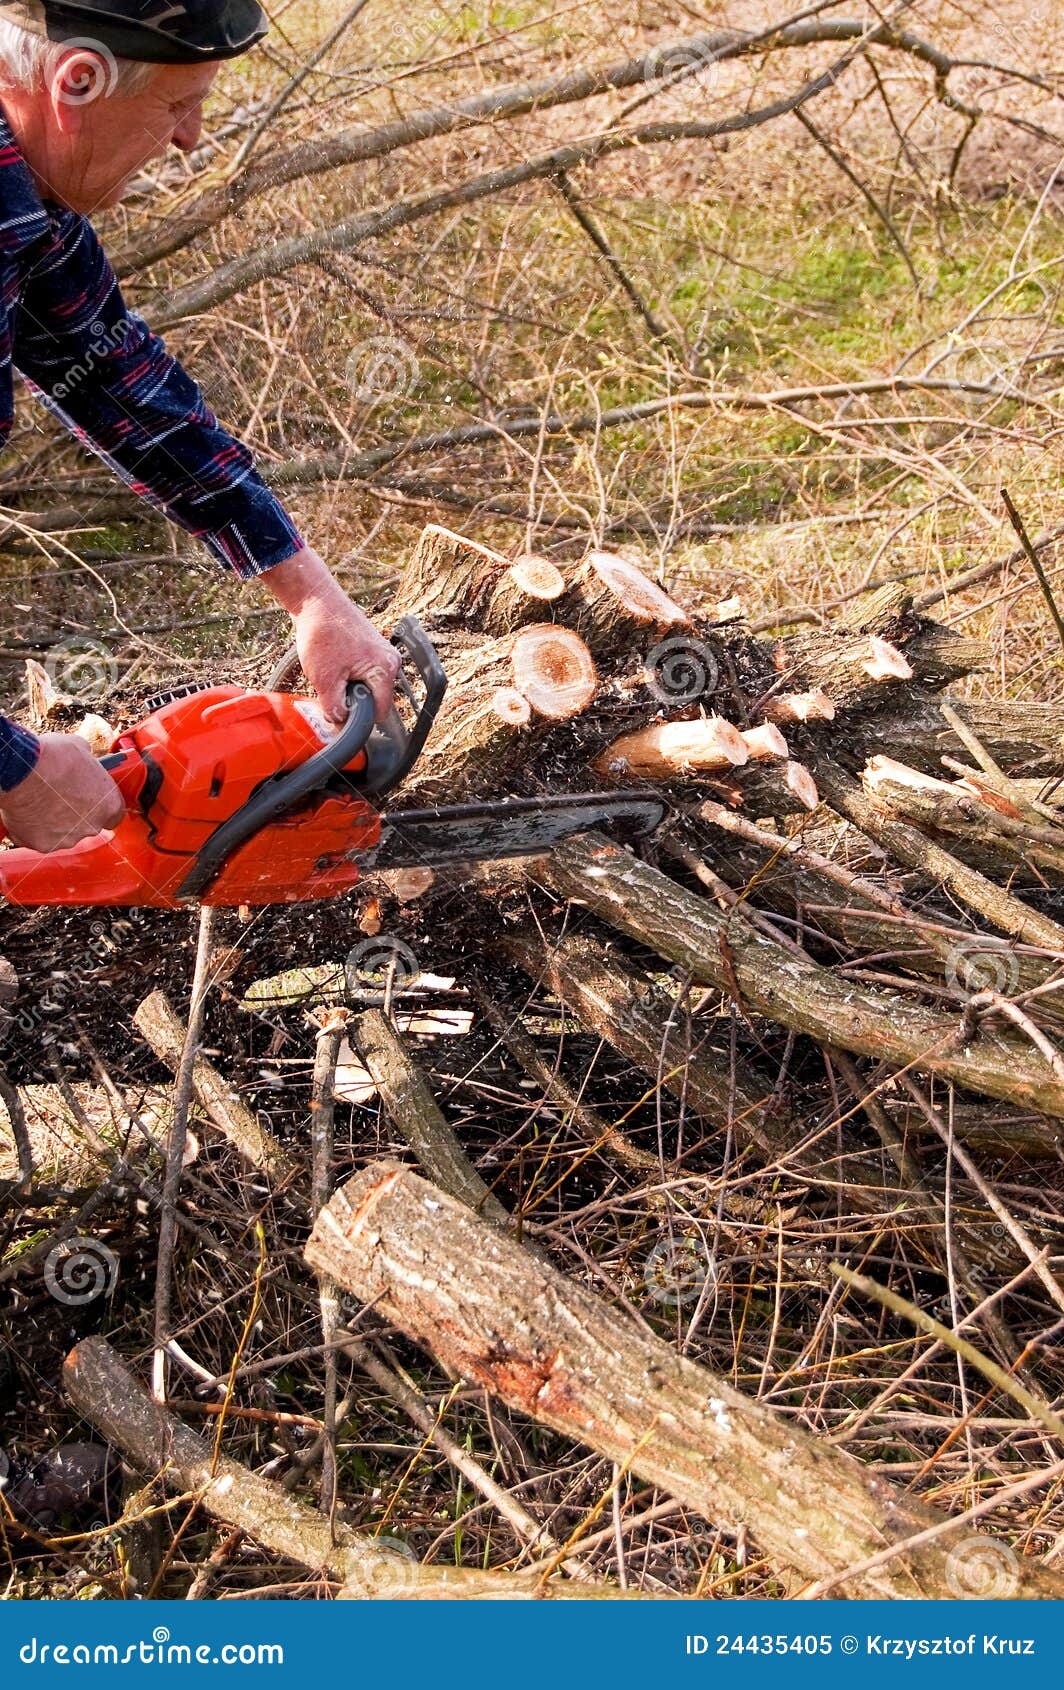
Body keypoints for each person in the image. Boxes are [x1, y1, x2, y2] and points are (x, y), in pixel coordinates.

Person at [0, 1, 401, 857]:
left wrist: (313, 598)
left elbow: (119, 381)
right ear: (76, 82)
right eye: (178, 106)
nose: (189, 138)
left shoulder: (23, 202)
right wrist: (11, 767)